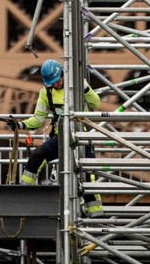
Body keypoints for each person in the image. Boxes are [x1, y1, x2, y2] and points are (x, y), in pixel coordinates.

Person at [6, 58, 104, 215]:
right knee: (37, 156)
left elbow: (96, 104)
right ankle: (24, 195)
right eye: (52, 83)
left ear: (62, 75)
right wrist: (20, 125)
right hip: (60, 137)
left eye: (57, 81)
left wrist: (85, 88)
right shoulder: (46, 92)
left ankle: (96, 215)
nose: (55, 85)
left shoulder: (78, 85)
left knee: (87, 177)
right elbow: (39, 118)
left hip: (82, 137)